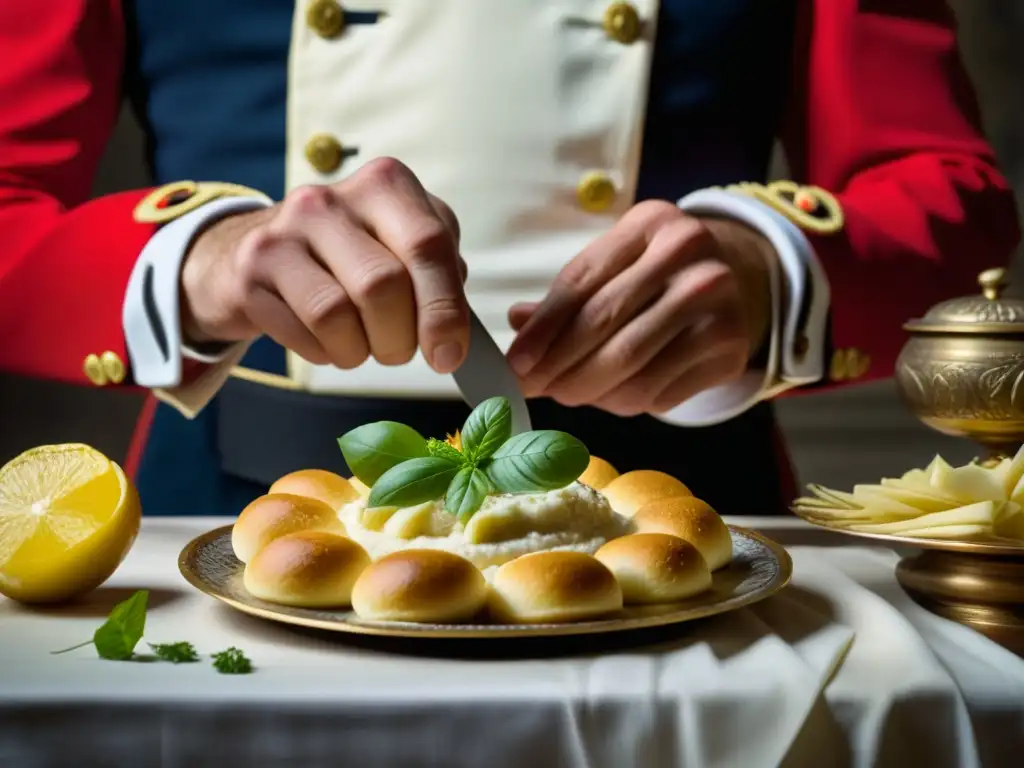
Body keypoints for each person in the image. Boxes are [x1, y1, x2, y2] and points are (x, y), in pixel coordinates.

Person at [0, 1, 1018, 516]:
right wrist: (200, 261)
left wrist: (774, 267)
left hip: (683, 518)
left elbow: (955, 200)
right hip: (227, 513)